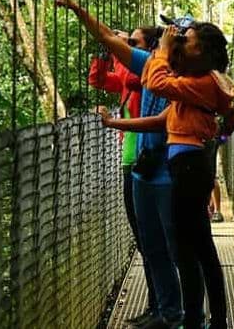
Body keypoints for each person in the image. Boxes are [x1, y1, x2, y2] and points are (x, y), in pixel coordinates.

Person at [54, 0, 182, 329]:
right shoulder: (149, 66)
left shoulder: (176, 78)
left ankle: (179, 314)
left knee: (173, 248)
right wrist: (80, 10)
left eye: (139, 43)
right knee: (150, 243)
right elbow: (101, 70)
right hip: (141, 167)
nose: (134, 47)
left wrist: (114, 121)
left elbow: (158, 114)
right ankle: (163, 311)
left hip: (167, 170)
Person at [142, 22, 234, 329]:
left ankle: (195, 320)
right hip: (192, 166)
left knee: (187, 248)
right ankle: (211, 320)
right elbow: (230, 116)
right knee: (199, 246)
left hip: (188, 168)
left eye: (191, 43)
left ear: (206, 53)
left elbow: (156, 83)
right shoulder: (210, 80)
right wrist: (167, 52)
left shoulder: (203, 84)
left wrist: (164, 49)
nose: (185, 46)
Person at [87, 28, 162, 325]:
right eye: (127, 43)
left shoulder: (149, 73)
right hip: (130, 160)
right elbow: (97, 80)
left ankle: (163, 307)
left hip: (144, 162)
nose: (127, 47)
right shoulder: (128, 77)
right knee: (144, 239)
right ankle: (156, 304)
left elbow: (132, 76)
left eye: (133, 44)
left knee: (151, 240)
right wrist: (107, 51)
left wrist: (115, 45)